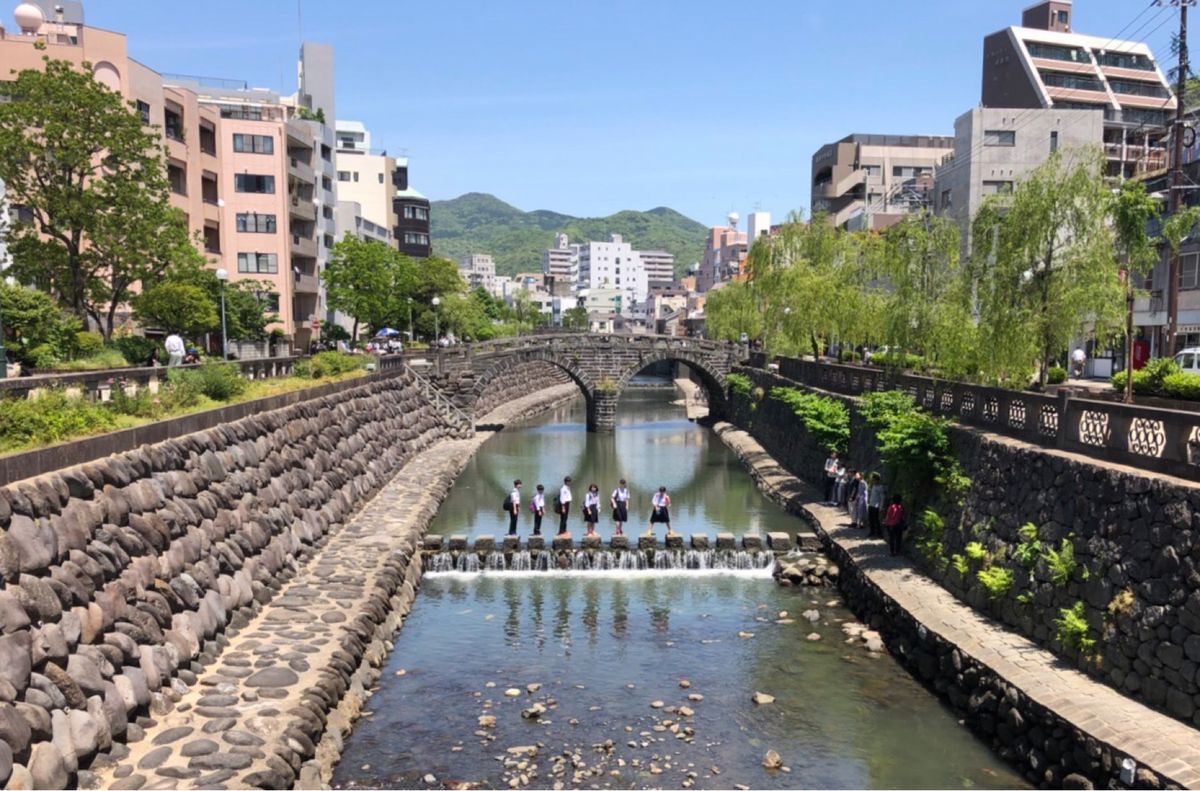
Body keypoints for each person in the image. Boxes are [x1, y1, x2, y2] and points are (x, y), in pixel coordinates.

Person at [866, 472, 885, 538]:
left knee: (876, 520)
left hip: (876, 506)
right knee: (871, 519)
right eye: (873, 480)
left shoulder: (880, 487)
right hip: (871, 505)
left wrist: (881, 507)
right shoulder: (873, 486)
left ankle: (879, 534)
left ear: (878, 480)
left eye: (875, 480)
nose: (873, 481)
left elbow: (882, 498)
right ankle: (872, 532)